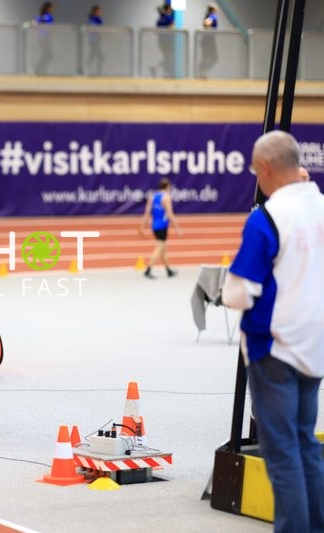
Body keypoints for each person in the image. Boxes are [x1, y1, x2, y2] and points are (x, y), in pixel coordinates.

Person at [222, 130, 324, 533]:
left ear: (264, 168)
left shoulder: (267, 218)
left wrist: (225, 287)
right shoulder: (322, 207)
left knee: (281, 452)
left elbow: (239, 292)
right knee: (306, 446)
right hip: (315, 345)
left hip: (276, 347)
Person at [139, 177, 181, 278]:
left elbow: (147, 213)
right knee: (159, 248)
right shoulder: (166, 197)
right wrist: (177, 227)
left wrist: (142, 227)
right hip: (162, 225)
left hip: (154, 225)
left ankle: (168, 270)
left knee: (163, 248)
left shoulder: (152, 197)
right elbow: (170, 213)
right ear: (167, 186)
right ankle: (148, 270)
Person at [151, 3, 175, 78]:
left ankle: (164, 72)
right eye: (170, 9)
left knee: (167, 57)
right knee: (169, 57)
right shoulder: (169, 18)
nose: (171, 10)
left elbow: (156, 31)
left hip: (161, 41)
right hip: (168, 41)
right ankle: (166, 73)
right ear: (168, 9)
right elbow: (172, 27)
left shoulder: (159, 19)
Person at [33, 2, 54, 76]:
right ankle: (38, 69)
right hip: (43, 38)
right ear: (47, 8)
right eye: (51, 8)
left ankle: (40, 69)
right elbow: (36, 22)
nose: (52, 9)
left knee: (48, 55)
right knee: (47, 55)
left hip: (47, 38)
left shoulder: (49, 16)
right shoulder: (44, 16)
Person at [198, 3, 219, 78]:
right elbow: (207, 22)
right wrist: (208, 27)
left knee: (207, 57)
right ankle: (201, 72)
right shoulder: (212, 15)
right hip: (208, 40)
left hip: (207, 40)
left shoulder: (208, 15)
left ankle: (202, 72)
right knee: (212, 57)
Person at [86, 5, 104, 76]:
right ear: (94, 12)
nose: (100, 13)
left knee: (93, 56)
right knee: (100, 57)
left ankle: (89, 70)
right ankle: (97, 72)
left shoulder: (95, 19)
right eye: (98, 11)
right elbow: (95, 30)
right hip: (94, 41)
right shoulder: (94, 20)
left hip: (95, 41)